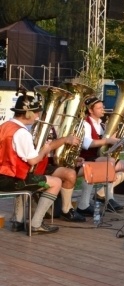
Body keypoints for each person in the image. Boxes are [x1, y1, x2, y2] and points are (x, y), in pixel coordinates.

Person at [0, 93, 79, 233]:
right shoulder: (21, 133)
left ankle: (18, 220)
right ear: (28, 113)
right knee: (56, 182)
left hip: (4, 176)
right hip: (12, 179)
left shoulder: (5, 126)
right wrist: (44, 150)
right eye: (36, 113)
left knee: (37, 177)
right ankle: (36, 224)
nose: (37, 116)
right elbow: (33, 160)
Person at [75, 96, 124, 216]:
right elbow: (87, 144)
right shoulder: (85, 124)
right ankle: (108, 199)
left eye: (102, 107)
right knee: (109, 162)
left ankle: (102, 194)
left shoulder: (102, 125)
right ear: (90, 110)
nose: (103, 109)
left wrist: (118, 140)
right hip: (86, 157)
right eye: (99, 108)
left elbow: (106, 143)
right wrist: (107, 140)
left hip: (100, 157)